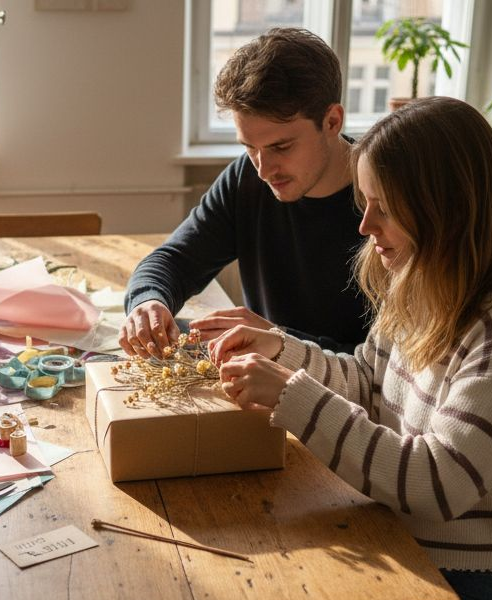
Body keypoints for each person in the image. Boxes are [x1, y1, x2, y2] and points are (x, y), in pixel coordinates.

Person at [160, 96, 492, 600]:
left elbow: (441, 484)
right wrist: (278, 348)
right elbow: (365, 378)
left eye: (382, 205)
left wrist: (292, 395)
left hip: (480, 593)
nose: (364, 223)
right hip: (405, 545)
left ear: (443, 204)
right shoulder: (423, 272)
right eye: (364, 200)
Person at [119, 27, 368, 359]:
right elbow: (173, 261)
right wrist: (149, 301)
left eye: (281, 146)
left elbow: (391, 371)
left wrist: (280, 340)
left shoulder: (385, 201)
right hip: (266, 390)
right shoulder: (247, 178)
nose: (264, 169)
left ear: (332, 121)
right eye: (250, 147)